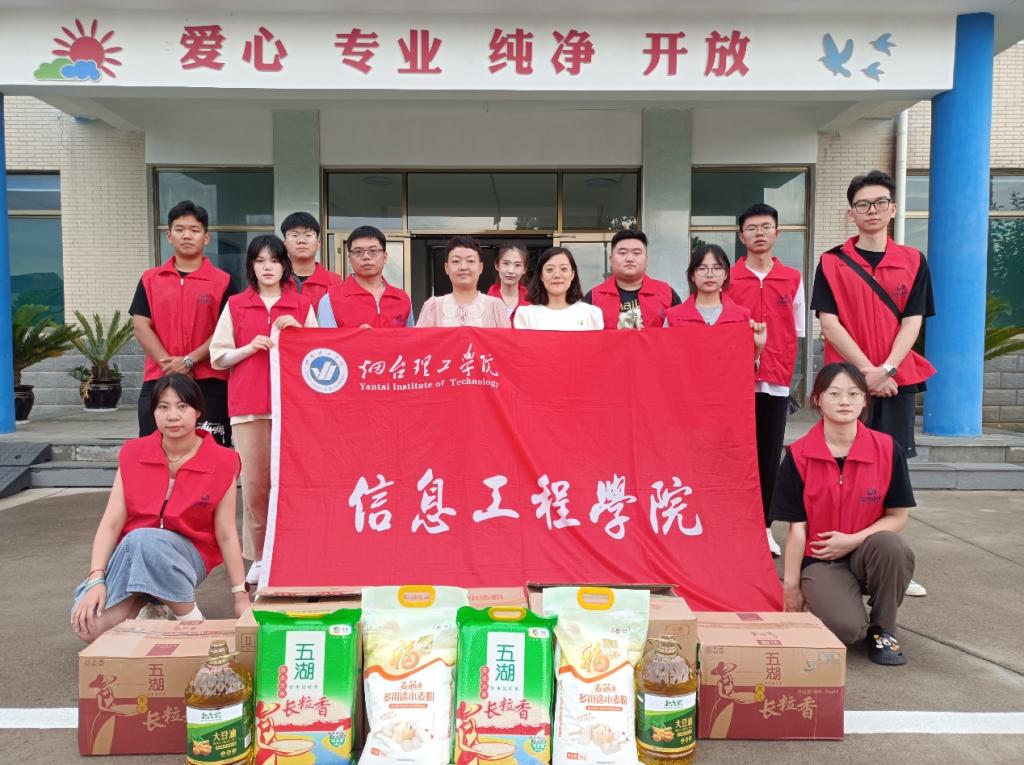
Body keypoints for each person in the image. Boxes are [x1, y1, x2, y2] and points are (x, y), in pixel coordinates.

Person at [812, 169, 934, 598]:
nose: (872, 211)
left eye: (880, 203)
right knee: (842, 466)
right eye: (863, 205)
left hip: (896, 380)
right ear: (851, 213)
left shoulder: (914, 260)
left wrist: (889, 369)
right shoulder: (832, 262)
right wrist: (867, 373)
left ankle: (887, 558)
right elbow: (829, 322)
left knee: (890, 468)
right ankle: (836, 556)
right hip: (847, 381)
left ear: (893, 208)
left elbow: (913, 321)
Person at [71, 374, 246, 643]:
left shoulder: (223, 461)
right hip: (132, 554)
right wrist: (96, 579)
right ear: (153, 412)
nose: (172, 416)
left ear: (198, 411)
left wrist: (240, 595)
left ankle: (192, 621)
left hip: (186, 557)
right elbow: (111, 523)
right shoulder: (133, 453)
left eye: (182, 406)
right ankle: (150, 602)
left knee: (144, 539)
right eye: (163, 407)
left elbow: (226, 534)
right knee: (89, 627)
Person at [769, 362, 916, 666]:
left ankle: (883, 629)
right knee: (846, 630)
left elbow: (898, 517)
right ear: (817, 399)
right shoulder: (798, 455)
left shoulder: (887, 449)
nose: (844, 401)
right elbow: (797, 529)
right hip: (822, 559)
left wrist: (852, 540)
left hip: (868, 551)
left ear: (865, 400)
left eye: (853, 394)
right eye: (834, 394)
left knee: (893, 546)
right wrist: (791, 588)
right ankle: (834, 605)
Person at [210, 235, 317, 586]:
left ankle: (293, 552)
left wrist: (298, 333)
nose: (267, 267)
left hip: (293, 410)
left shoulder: (301, 306)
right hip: (249, 408)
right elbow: (218, 356)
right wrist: (248, 348)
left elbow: (319, 356)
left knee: (293, 485)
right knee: (256, 486)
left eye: (274, 260)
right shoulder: (237, 305)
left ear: (285, 266)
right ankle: (259, 556)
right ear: (251, 266)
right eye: (259, 261)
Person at [726, 203, 805, 557]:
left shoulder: (793, 279)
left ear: (777, 232)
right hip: (735, 380)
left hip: (774, 379)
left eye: (765, 227)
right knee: (734, 451)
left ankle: (763, 527)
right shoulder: (729, 279)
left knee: (770, 453)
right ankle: (733, 522)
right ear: (741, 236)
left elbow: (796, 331)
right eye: (752, 228)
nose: (759, 233)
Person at [131, 200, 234, 445]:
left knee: (210, 450)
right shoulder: (150, 279)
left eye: (194, 230)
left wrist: (189, 361)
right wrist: (169, 365)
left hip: (209, 381)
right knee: (154, 448)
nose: (187, 235)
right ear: (169, 236)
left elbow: (226, 330)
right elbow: (141, 326)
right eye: (180, 229)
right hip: (159, 378)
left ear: (206, 238)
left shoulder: (223, 281)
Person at [665, 245, 768, 359]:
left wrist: (758, 347)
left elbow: (744, 364)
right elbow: (666, 360)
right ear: (692, 275)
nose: (709, 274)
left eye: (717, 268)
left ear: (726, 274)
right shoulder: (673, 317)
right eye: (702, 268)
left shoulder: (742, 316)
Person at [317, 225, 413, 328]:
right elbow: (326, 338)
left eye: (373, 251)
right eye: (358, 252)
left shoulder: (402, 299)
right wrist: (357, 336)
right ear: (349, 259)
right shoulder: (330, 300)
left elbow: (410, 337)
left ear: (385, 257)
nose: (366, 256)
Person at [584, 229, 681, 329]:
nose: (630, 259)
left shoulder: (667, 293)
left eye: (636, 253)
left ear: (646, 259)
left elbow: (680, 333)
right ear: (611, 259)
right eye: (622, 253)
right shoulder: (594, 297)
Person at [416, 236, 511, 328]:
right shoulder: (433, 307)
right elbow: (420, 339)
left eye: (470, 261)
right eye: (456, 261)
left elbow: (506, 339)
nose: (463, 267)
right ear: (446, 268)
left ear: (481, 267)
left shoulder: (495, 307)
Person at [513, 247, 604, 330]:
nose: (557, 275)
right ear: (541, 276)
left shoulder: (591, 314)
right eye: (550, 269)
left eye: (563, 269)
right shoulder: (526, 315)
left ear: (572, 274)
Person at [280, 211, 343, 307]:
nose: (301, 241)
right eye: (294, 235)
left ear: (318, 244)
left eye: (308, 235)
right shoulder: (275, 279)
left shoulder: (334, 282)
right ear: (284, 244)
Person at [487, 243, 529, 322]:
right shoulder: (486, 302)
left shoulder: (531, 302)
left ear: (524, 269)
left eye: (517, 265)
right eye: (506, 263)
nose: (511, 271)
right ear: (497, 265)